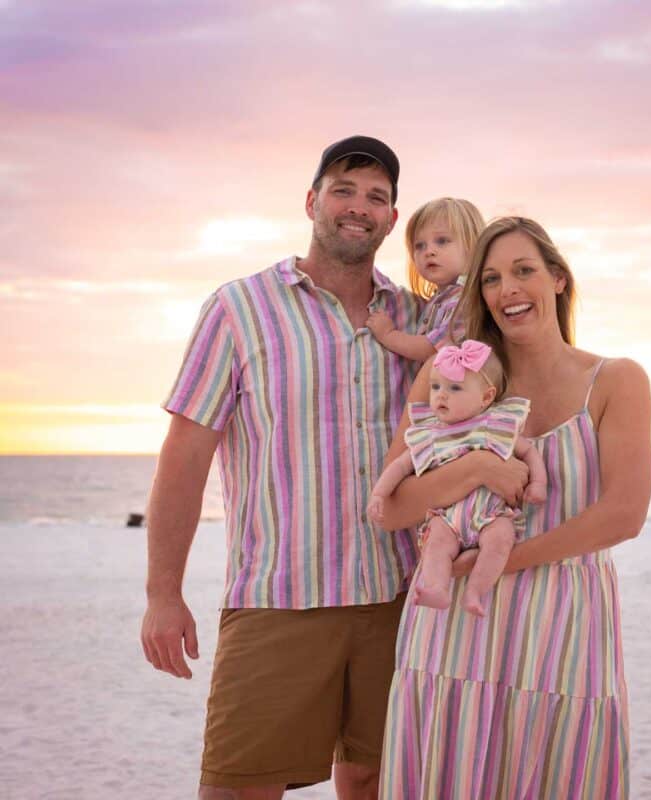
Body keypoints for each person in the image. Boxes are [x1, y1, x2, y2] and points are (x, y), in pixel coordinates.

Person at [140, 135, 426, 800]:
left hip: (399, 604)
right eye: (344, 190)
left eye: (377, 198)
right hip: (276, 603)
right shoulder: (238, 310)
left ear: (391, 218)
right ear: (312, 201)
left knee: (379, 781)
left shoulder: (414, 320)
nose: (359, 207)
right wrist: (162, 593)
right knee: (236, 787)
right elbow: (184, 458)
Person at [375, 217, 651, 798]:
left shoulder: (615, 381)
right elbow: (392, 506)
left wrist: (500, 560)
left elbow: (624, 515)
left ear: (557, 278)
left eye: (524, 271)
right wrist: (477, 468)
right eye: (492, 279)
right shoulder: (448, 374)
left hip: (566, 632)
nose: (508, 290)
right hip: (453, 635)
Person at [368, 340, 547, 616]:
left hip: (491, 514)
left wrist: (538, 484)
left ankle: (476, 591)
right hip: (447, 517)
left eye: (455, 388)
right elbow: (399, 467)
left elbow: (529, 452)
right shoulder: (430, 433)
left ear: (486, 397)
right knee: (436, 545)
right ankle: (437, 589)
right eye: (436, 387)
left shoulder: (494, 425)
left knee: (500, 540)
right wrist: (379, 494)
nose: (441, 396)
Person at [365, 197, 484, 360]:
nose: (429, 251)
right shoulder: (439, 300)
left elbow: (433, 349)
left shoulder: (466, 301)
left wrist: (388, 335)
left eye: (442, 241)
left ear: (473, 246)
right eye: (419, 245)